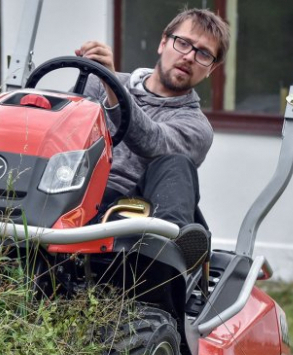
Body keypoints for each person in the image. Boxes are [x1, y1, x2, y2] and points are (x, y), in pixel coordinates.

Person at [75, 9, 230, 228]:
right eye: (183, 43)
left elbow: (151, 140)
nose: (189, 57)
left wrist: (112, 86)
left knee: (176, 162)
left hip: (131, 213)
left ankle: (168, 245)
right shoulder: (98, 82)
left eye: (203, 54)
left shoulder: (197, 127)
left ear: (211, 69)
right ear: (163, 43)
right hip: (72, 192)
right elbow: (64, 131)